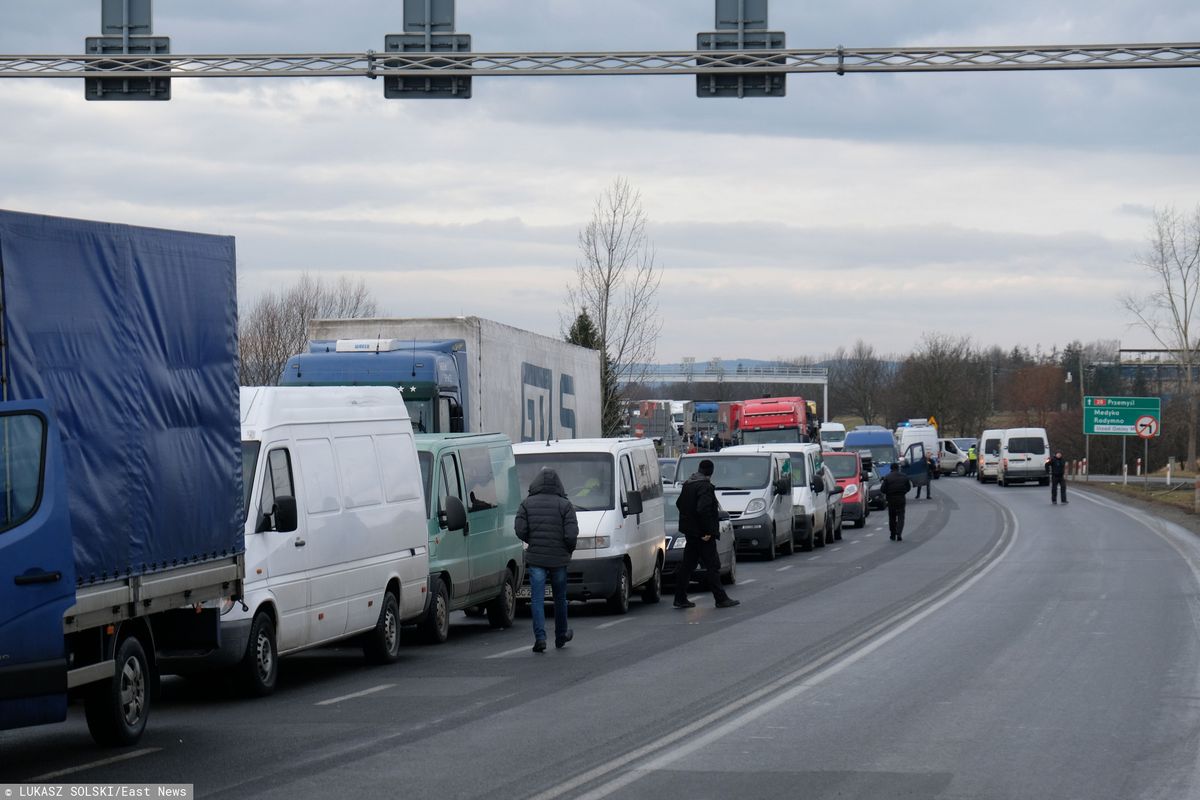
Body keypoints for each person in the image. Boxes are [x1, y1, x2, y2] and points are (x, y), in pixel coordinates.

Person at [515, 468, 579, 653]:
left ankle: (540, 638)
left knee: (537, 599)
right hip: (559, 559)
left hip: (536, 559)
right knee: (560, 598)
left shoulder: (527, 504)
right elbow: (571, 534)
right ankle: (561, 635)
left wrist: (531, 541)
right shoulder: (565, 505)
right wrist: (568, 551)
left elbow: (520, 529)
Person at [673, 459, 740, 609]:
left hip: (690, 532)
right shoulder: (705, 487)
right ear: (711, 472)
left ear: (699, 469)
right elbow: (703, 509)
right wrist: (707, 531)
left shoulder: (688, 484)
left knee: (688, 565)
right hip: (703, 535)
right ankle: (720, 598)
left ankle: (680, 597)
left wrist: (690, 523)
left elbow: (679, 504)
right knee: (713, 565)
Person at [881, 461, 913, 541]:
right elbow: (908, 488)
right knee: (901, 516)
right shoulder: (904, 476)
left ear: (891, 468)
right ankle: (899, 533)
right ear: (898, 468)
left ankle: (892, 534)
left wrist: (889, 493)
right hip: (901, 498)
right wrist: (903, 492)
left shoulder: (887, 477)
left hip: (891, 499)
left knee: (892, 517)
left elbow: (882, 489)